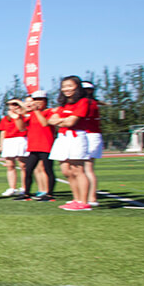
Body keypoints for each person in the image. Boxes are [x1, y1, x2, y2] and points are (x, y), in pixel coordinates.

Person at [48, 75, 92, 211]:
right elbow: (51, 120)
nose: (66, 89)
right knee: (66, 170)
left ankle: (84, 202)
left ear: (77, 87)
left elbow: (71, 122)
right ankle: (76, 199)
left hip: (76, 137)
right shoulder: (64, 104)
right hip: (62, 137)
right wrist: (63, 120)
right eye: (64, 86)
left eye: (70, 86)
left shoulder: (83, 102)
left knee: (78, 169)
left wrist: (61, 120)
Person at [20, 91, 56, 201]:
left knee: (48, 170)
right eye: (35, 100)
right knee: (28, 170)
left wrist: (36, 111)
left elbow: (45, 123)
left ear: (45, 101)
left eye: (40, 100)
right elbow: (21, 128)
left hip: (46, 145)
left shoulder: (49, 112)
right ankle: (26, 194)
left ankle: (49, 194)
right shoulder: (31, 114)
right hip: (33, 146)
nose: (37, 102)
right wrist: (18, 116)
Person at [80, 81, 103, 207]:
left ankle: (92, 197)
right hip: (91, 135)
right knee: (85, 168)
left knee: (87, 168)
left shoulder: (88, 103)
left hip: (90, 135)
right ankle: (88, 196)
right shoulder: (92, 103)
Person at [0, 101, 28, 197]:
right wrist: (1, 144)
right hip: (8, 141)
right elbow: (3, 132)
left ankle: (24, 187)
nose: (13, 107)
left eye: (15, 105)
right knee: (10, 165)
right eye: (11, 105)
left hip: (21, 139)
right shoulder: (5, 119)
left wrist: (20, 106)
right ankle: (12, 188)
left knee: (23, 165)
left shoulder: (24, 116)